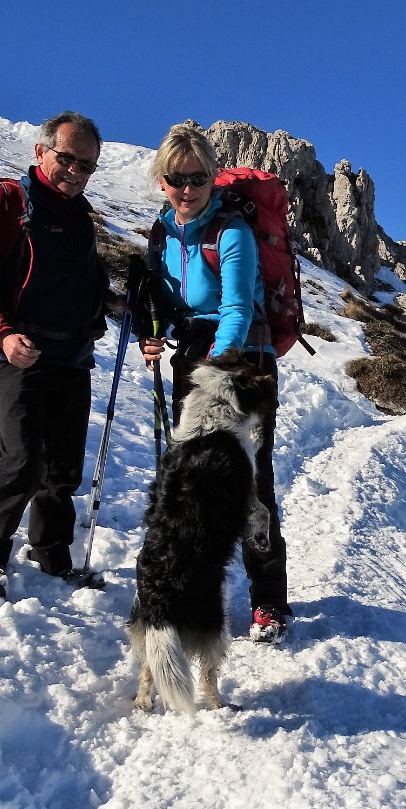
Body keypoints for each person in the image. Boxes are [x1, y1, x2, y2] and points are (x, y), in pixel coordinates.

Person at [137, 123, 292, 644]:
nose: (187, 188)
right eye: (177, 179)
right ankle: (193, 589)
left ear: (212, 178)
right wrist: (153, 332)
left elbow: (236, 305)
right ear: (162, 180)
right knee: (190, 480)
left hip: (243, 363)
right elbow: (163, 297)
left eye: (198, 178)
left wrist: (219, 364)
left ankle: (269, 601)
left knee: (250, 480)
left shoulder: (231, 230)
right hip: (194, 356)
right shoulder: (164, 231)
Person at [0, 111, 110, 602]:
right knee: (22, 459)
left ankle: (52, 554)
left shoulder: (79, 215)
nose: (76, 173)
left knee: (63, 468)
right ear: (40, 151)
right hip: (17, 353)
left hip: (72, 355)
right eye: (67, 159)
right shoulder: (6, 204)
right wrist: (1, 338)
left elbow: (82, 283)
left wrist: (112, 302)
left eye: (87, 166)